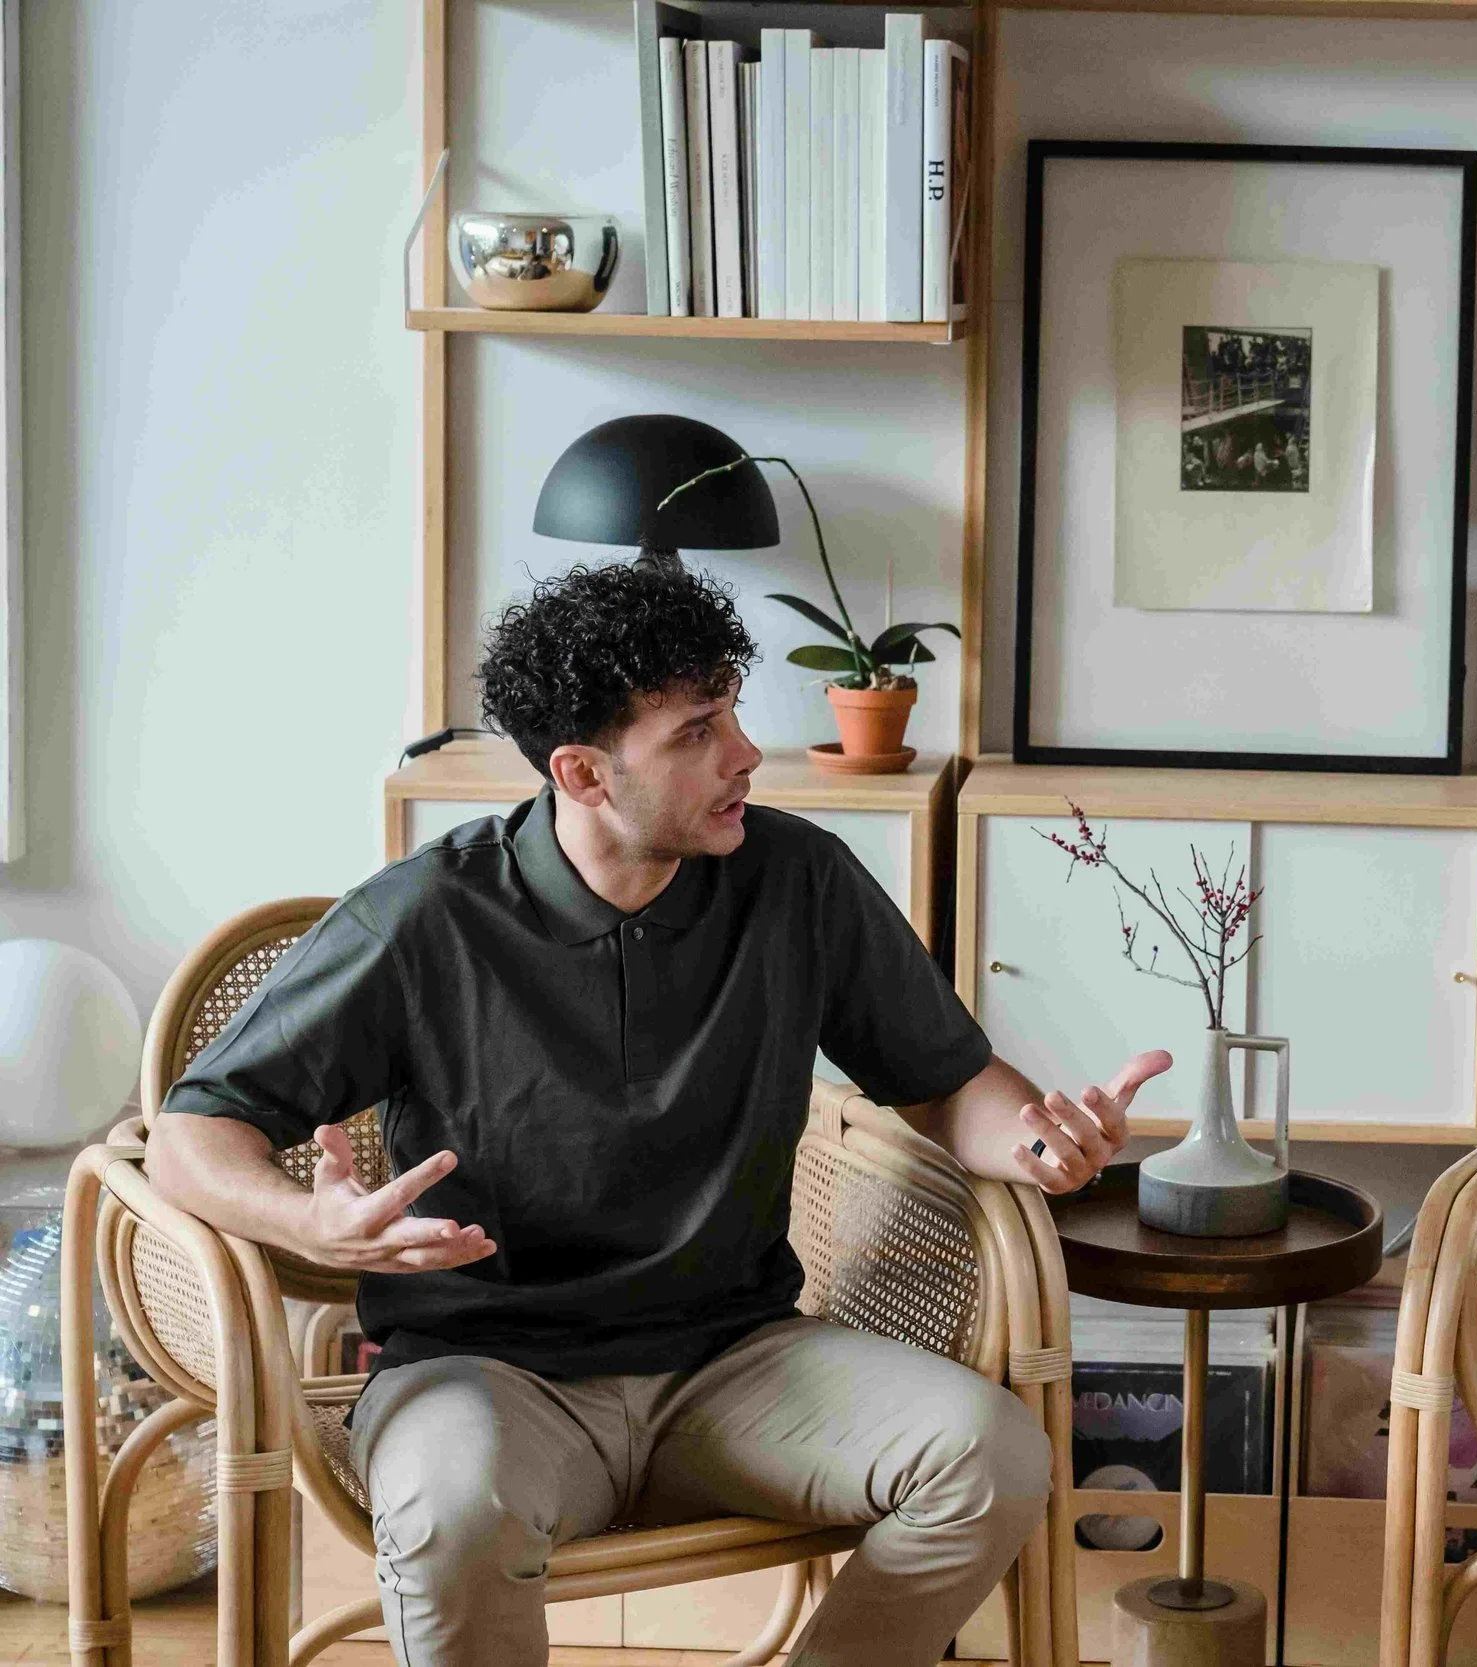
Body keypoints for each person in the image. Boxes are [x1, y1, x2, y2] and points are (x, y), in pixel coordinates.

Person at [148, 560, 1171, 1667]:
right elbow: (192, 1129)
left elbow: (941, 1081)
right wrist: (303, 1222)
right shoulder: (424, 918)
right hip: (486, 1368)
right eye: (695, 733)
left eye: (732, 712)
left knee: (994, 1456)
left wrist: (1037, 1140)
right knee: (455, 1519)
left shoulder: (798, 880)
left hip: (738, 1359)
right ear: (582, 773)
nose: (742, 754)